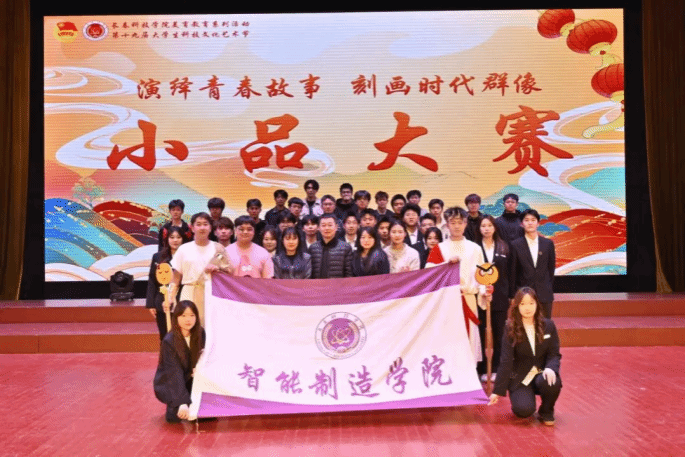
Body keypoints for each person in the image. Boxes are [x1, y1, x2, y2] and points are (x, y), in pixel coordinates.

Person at [488, 287, 562, 426]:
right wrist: (497, 391)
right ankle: (524, 398)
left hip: (541, 373)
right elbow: (506, 361)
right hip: (521, 377)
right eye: (523, 304)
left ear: (537, 304)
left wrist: (551, 368)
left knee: (552, 382)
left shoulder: (548, 325)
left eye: (531, 303)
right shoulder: (510, 327)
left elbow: (554, 354)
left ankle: (546, 411)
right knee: (523, 411)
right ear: (517, 306)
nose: (527, 308)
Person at [425, 207, 485, 364]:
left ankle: (469, 370)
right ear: (447, 225)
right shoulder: (439, 248)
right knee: (447, 336)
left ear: (465, 224)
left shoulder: (475, 248)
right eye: (453, 222)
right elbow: (429, 274)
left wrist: (484, 291)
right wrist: (447, 264)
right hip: (446, 301)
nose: (457, 226)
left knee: (469, 336)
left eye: (460, 222)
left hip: (468, 298)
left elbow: (482, 276)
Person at [168, 212, 232, 326]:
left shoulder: (218, 248)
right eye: (198, 224)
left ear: (210, 228)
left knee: (211, 327)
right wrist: (170, 297)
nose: (202, 227)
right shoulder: (183, 249)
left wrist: (217, 270)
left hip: (212, 294)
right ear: (192, 228)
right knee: (189, 327)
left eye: (205, 224)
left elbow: (229, 273)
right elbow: (176, 277)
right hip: (189, 293)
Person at [153, 300, 205, 423]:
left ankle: (192, 400)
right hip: (172, 382)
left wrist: (200, 367)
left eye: (192, 315)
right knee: (174, 418)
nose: (188, 320)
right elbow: (173, 372)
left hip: (193, 379)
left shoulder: (201, 333)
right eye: (183, 316)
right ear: (176, 317)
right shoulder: (169, 341)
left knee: (205, 417)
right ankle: (178, 402)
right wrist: (182, 402)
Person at [476, 215, 513, 383]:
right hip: (480, 296)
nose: (486, 229)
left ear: (495, 227)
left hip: (499, 296)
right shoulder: (475, 248)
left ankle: (497, 367)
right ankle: (482, 368)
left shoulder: (504, 247)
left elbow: (509, 273)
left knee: (499, 334)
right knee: (480, 333)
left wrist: (510, 295)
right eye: (483, 226)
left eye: (489, 225)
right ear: (479, 229)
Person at [510, 209, 556, 318]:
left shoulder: (548, 244)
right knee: (524, 325)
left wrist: (546, 286)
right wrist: (513, 295)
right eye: (526, 220)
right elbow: (512, 272)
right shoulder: (515, 245)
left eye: (533, 220)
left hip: (544, 294)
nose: (530, 223)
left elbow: (551, 269)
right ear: (522, 224)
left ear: (538, 223)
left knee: (545, 325)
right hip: (524, 294)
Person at [147, 226, 186, 339]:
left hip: (183, 298)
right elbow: (152, 280)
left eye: (178, 237)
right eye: (172, 237)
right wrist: (151, 304)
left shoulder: (188, 257)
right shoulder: (158, 257)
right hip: (162, 301)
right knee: (165, 336)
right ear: (167, 239)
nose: (175, 240)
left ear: (183, 239)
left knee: (182, 335)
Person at [309, 214, 354, 278]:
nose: (327, 228)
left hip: (338, 284)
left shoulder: (345, 247)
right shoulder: (313, 248)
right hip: (317, 284)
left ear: (336, 227)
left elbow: (349, 273)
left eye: (330, 225)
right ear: (318, 228)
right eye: (323, 225)